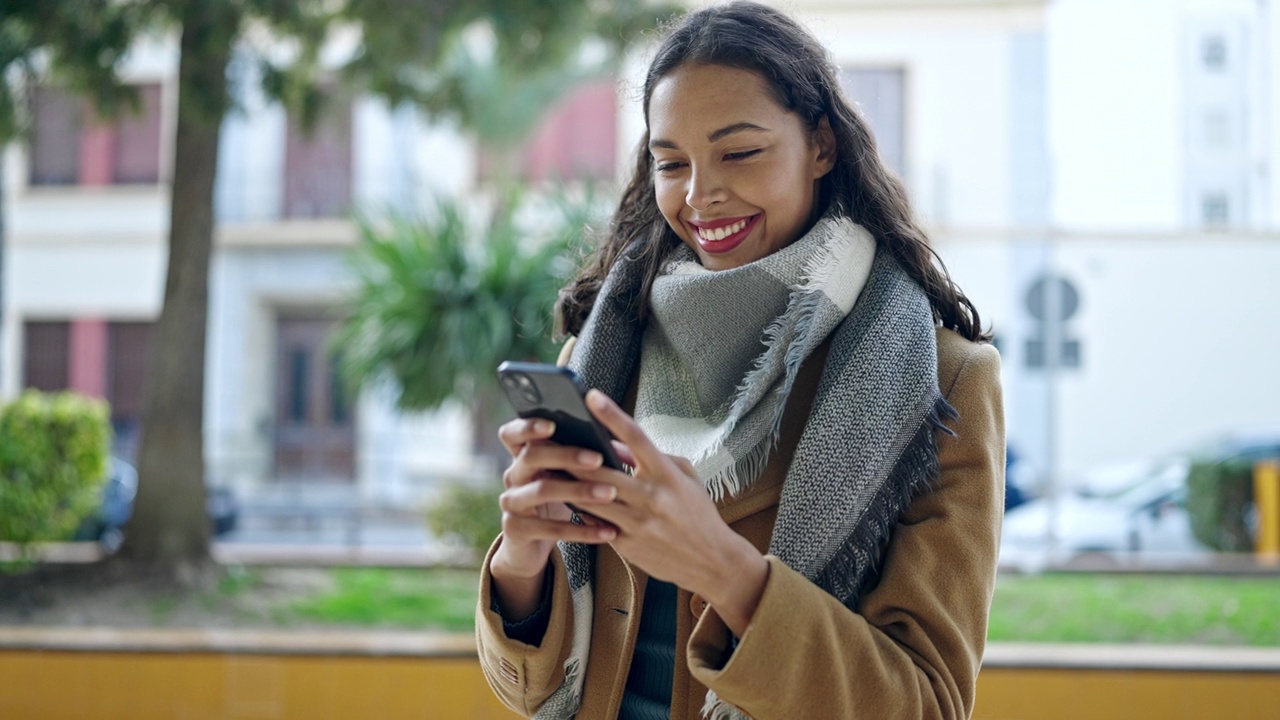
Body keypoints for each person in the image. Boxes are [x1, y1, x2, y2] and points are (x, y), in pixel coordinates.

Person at [476, 2, 1005, 719]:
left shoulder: (942, 380)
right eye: (671, 163)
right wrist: (522, 560)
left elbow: (928, 704)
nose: (700, 195)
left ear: (821, 145)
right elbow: (529, 690)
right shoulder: (603, 353)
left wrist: (727, 573)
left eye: (739, 152)